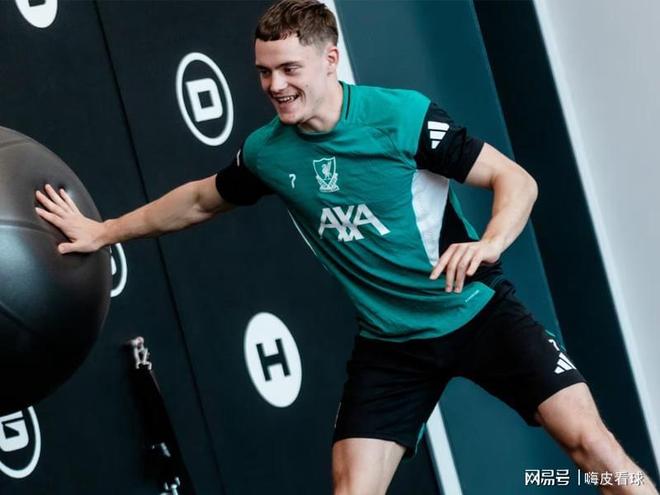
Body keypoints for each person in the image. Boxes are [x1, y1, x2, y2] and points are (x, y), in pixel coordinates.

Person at [35, 1, 657, 494]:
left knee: (594, 451)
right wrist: (103, 231)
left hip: (475, 312)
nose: (275, 86)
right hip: (392, 345)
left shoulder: (400, 118)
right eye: (264, 72)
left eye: (289, 69)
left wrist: (488, 244)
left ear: (330, 59)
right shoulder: (269, 152)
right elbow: (200, 199)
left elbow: (515, 180)